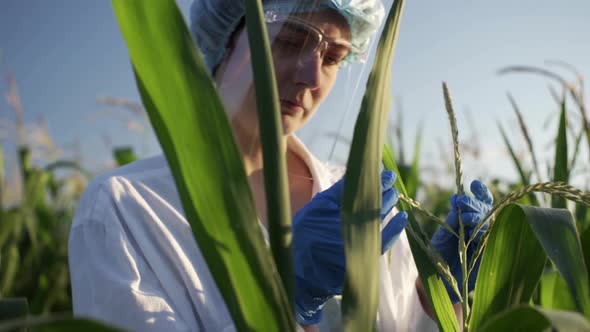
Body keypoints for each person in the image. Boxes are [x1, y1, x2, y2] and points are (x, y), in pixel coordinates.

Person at [68, 0, 493, 331]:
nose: (312, 76)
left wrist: (436, 298)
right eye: (290, 40)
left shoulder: (357, 197)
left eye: (333, 58)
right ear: (223, 40)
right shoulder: (126, 209)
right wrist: (280, 300)